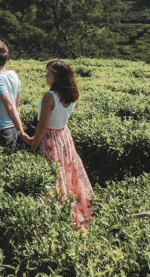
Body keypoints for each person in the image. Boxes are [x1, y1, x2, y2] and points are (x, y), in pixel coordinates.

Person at [19, 59, 94, 228]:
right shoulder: (73, 94)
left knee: (53, 180)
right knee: (66, 176)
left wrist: (33, 145)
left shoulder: (49, 97)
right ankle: (69, 212)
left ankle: (55, 217)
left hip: (50, 140)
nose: (46, 76)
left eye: (49, 74)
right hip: (64, 138)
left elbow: (42, 125)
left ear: (57, 77)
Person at [0, 40, 24, 147]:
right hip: (12, 128)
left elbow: (10, 107)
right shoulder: (13, 74)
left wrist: (21, 131)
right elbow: (16, 103)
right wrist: (18, 128)